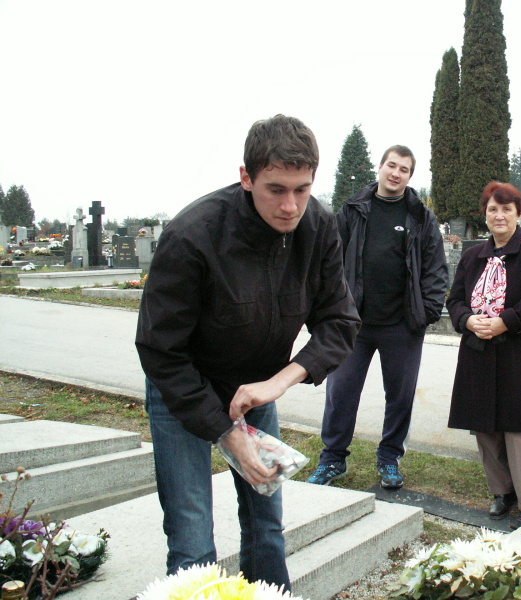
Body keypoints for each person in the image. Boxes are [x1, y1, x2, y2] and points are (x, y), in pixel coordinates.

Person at [135, 115, 361, 588]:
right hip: (184, 390)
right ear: (246, 177)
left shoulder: (318, 227)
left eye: (302, 189)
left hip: (256, 391)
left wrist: (277, 383)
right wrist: (224, 430)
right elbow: (160, 350)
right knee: (193, 537)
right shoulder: (192, 235)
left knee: (266, 526)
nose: (290, 206)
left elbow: (340, 321)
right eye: (275, 189)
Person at [307, 145, 448, 489]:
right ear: (380, 167)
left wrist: (427, 311)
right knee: (341, 393)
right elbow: (329, 260)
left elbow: (435, 268)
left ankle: (389, 458)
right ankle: (332, 459)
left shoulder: (420, 216)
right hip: (353, 324)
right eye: (392, 165)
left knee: (400, 397)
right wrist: (330, 310)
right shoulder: (353, 210)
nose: (396, 173)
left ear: (410, 176)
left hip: (402, 324)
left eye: (404, 169)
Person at [446, 181, 521, 530]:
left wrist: (504, 322)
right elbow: (455, 300)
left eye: (506, 209)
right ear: (485, 215)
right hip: (478, 353)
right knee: (485, 427)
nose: (499, 215)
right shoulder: (472, 257)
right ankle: (501, 492)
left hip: (520, 353)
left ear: (518, 213)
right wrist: (467, 320)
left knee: (517, 429)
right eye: (493, 209)